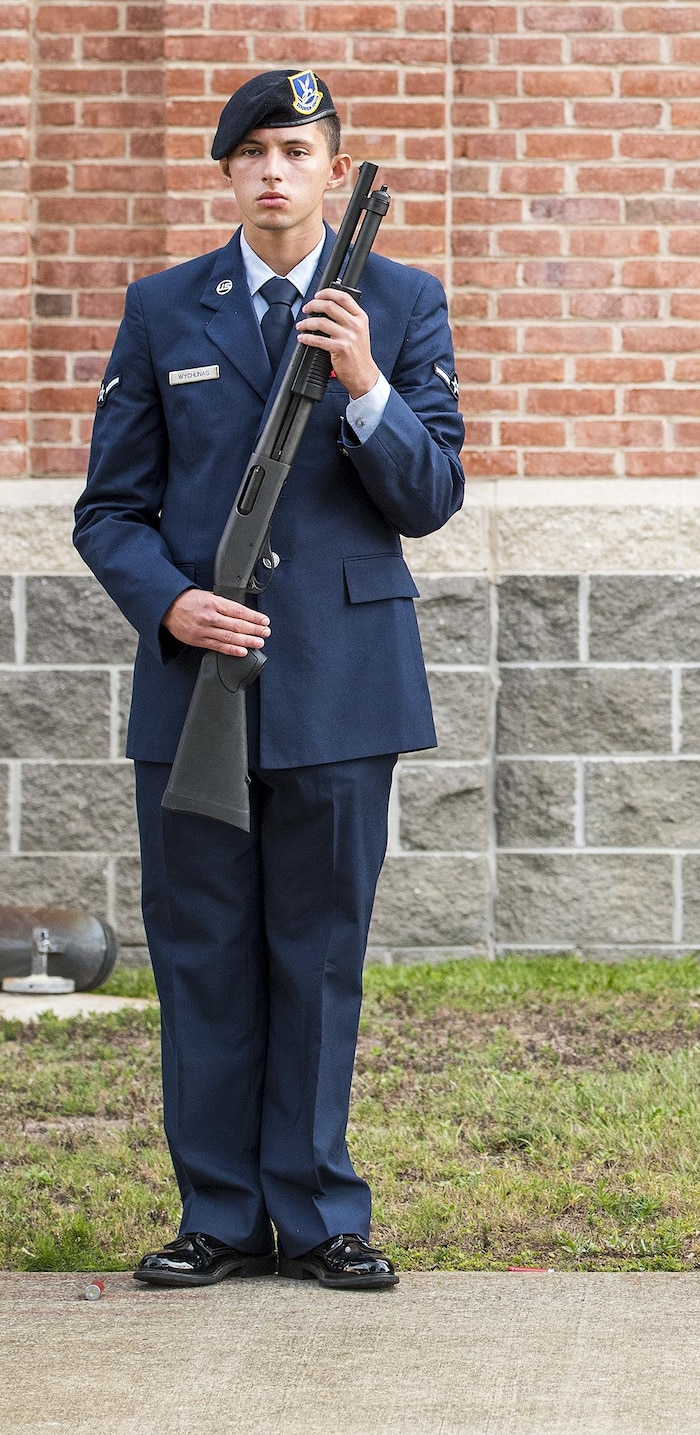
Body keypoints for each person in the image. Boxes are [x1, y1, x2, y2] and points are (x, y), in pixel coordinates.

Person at [73, 70, 465, 1291]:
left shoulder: (399, 302)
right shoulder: (163, 308)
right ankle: (221, 1214)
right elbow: (109, 511)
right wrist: (171, 601)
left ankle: (321, 1208)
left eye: (297, 150)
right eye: (252, 153)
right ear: (228, 174)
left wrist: (365, 386)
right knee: (202, 951)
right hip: (194, 684)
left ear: (335, 170)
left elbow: (433, 494)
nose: (274, 172)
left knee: (320, 949)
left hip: (343, 683)